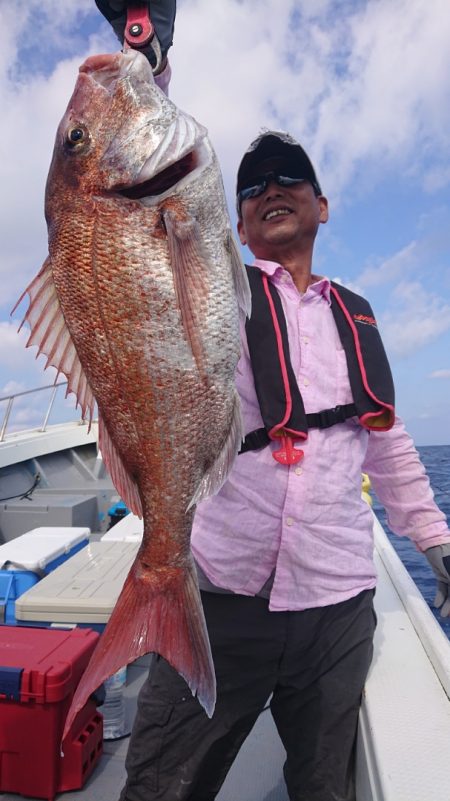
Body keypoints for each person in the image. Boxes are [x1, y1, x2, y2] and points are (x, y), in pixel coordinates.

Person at [95, 5, 450, 801]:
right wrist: (148, 61)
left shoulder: (356, 315)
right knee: (160, 785)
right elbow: (146, 203)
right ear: (237, 220)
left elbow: (389, 450)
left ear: (324, 206)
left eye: (292, 178)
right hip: (219, 600)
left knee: (323, 785)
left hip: (336, 607)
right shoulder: (219, 282)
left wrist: (436, 546)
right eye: (252, 186)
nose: (271, 190)